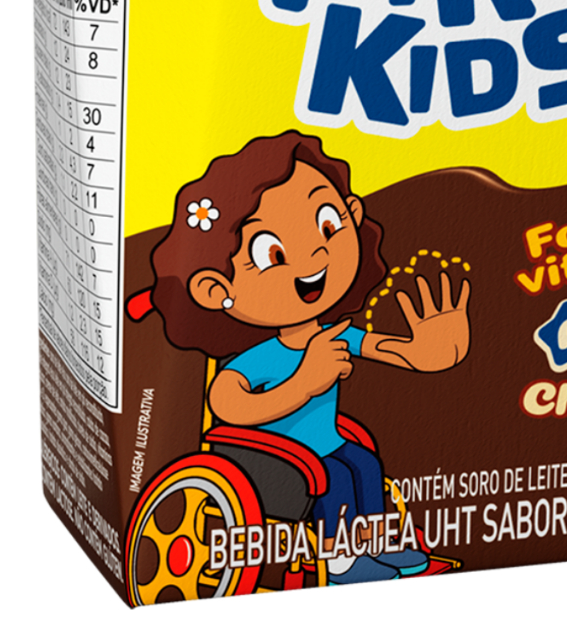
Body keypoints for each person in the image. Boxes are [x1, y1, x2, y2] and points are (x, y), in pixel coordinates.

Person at [149, 130, 471, 584]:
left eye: (328, 225)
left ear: (352, 215)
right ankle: (341, 560)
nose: (318, 252)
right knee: (334, 476)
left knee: (363, 464)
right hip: (265, 457)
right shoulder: (258, 358)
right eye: (272, 253)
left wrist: (430, 353)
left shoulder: (331, 335)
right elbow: (225, 405)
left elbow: (382, 348)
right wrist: (303, 383)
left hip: (324, 445)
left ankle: (371, 542)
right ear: (217, 289)